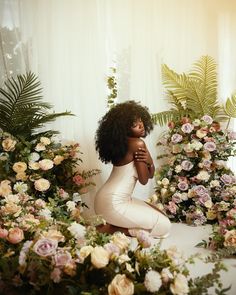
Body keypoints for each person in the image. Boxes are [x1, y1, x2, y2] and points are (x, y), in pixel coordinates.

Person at [94, 100, 171, 238]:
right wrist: (150, 161)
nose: (141, 125)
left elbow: (150, 174)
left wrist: (150, 161)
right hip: (113, 204)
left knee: (160, 214)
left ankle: (113, 225)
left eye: (140, 121)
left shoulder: (123, 144)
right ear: (123, 128)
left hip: (109, 200)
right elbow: (144, 179)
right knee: (164, 227)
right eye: (134, 124)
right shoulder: (137, 143)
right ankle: (111, 229)